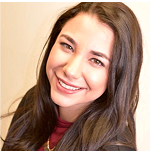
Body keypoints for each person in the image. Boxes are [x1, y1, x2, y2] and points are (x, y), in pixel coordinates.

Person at [1, 2, 143, 151]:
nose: (71, 70)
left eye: (96, 61)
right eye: (67, 46)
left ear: (118, 77)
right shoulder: (33, 101)